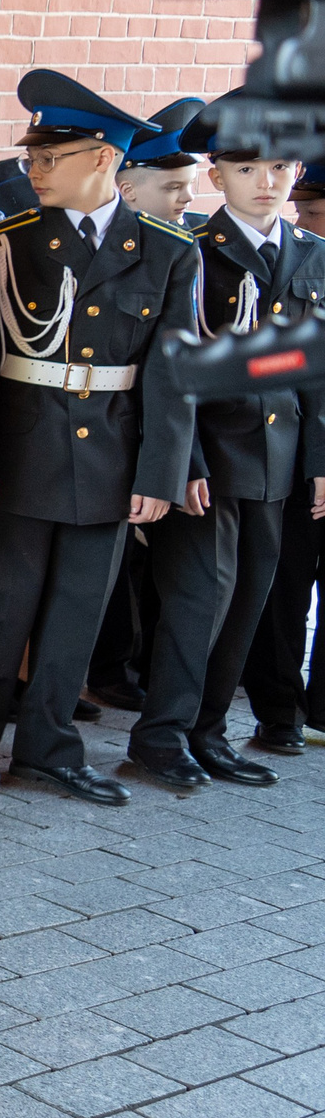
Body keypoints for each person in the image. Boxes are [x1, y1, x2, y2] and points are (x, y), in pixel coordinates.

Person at [0, 71, 197, 807]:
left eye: (51, 157)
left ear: (103, 159)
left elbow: (171, 377)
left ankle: (50, 746)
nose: (35, 170)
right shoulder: (6, 245)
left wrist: (160, 473)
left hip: (111, 456)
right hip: (17, 455)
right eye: (33, 157)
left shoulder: (169, 251)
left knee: (78, 608)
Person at [124, 91, 325, 790]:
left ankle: (207, 731)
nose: (265, 181)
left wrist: (321, 461)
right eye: (246, 169)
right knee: (196, 603)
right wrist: (185, 462)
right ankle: (161, 733)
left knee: (251, 602)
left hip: (278, 460)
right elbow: (173, 371)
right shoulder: (194, 254)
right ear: (217, 177)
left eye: (278, 167)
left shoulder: (311, 253)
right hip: (210, 459)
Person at [87, 99, 211, 718]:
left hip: (164, 438)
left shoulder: (178, 249)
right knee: (109, 572)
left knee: (140, 569)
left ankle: (124, 662)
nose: (186, 200)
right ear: (129, 190)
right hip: (112, 435)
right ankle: (107, 666)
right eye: (173, 188)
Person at [246, 160, 325, 750]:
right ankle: (280, 710)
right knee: (285, 585)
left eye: (315, 211)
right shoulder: (302, 261)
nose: (302, 219)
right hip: (296, 449)